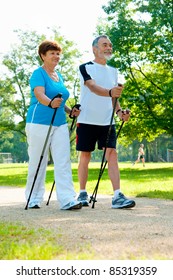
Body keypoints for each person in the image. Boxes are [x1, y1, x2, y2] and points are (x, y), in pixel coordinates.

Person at [76, 35, 136, 209]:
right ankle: (82, 193)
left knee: (112, 155)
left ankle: (117, 195)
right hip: (87, 120)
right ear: (95, 48)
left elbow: (114, 97)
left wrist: (119, 112)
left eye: (110, 45)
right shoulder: (85, 67)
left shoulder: (114, 71)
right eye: (105, 45)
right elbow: (93, 88)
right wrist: (111, 92)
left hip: (107, 122)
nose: (109, 47)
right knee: (85, 156)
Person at [25, 40, 82, 210]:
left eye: (58, 53)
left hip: (59, 123)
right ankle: (33, 198)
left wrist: (69, 111)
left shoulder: (59, 76)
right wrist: (50, 104)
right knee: (38, 160)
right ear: (43, 56)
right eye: (52, 53)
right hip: (39, 122)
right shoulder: (38, 74)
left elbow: (60, 100)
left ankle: (67, 199)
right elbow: (40, 95)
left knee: (63, 160)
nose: (56, 56)